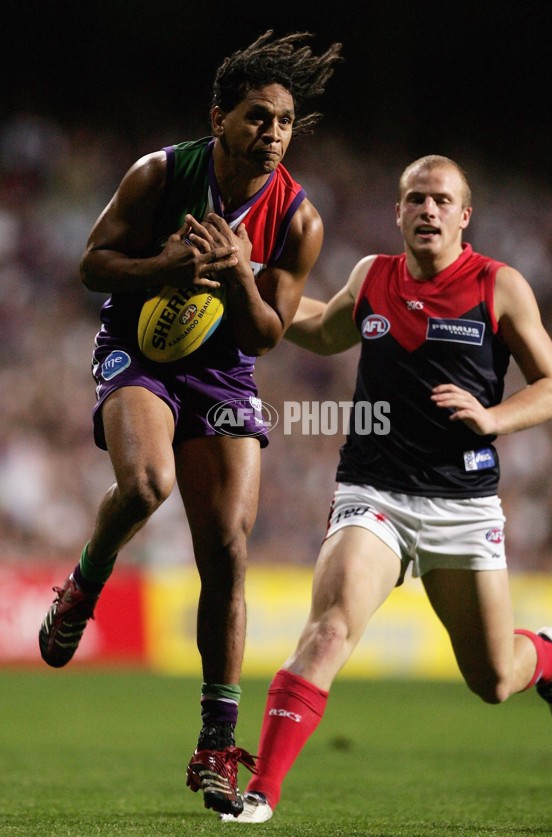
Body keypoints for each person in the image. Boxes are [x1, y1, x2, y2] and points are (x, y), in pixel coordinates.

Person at [220, 154, 552, 824]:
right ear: (398, 211)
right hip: (375, 492)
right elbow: (325, 327)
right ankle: (260, 791)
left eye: (442, 200)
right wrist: (245, 281)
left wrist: (493, 416)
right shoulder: (372, 276)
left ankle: (546, 653)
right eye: (416, 198)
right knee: (329, 630)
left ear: (464, 215)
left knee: (494, 680)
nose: (428, 210)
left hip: (462, 503)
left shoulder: (499, 287)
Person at [37, 30, 342, 818]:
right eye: (256, 117)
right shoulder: (162, 174)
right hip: (139, 346)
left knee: (229, 548)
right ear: (219, 117)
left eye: (283, 121)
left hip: (221, 370)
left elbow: (268, 334)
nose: (271, 133)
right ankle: (86, 580)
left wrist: (238, 271)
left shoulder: (297, 220)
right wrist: (166, 268)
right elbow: (91, 264)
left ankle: (214, 740)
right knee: (144, 484)